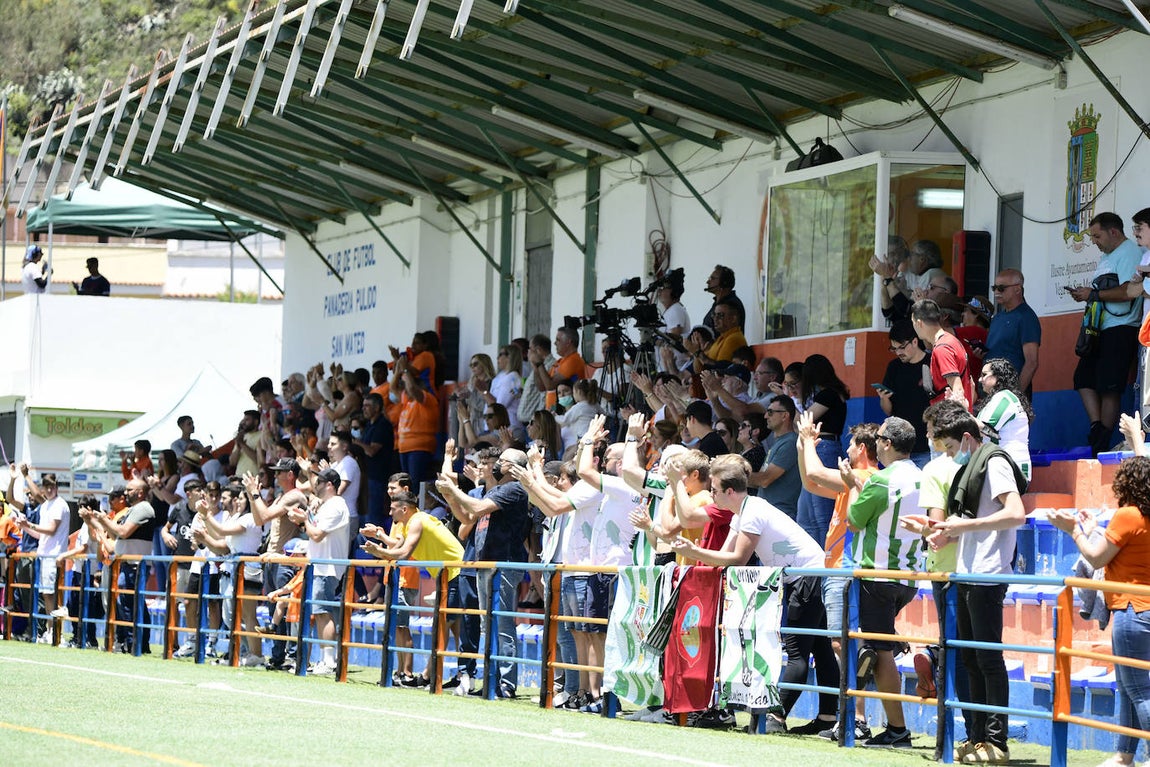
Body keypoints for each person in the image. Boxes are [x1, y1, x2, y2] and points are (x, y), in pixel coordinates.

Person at [671, 454, 837, 735]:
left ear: (730, 491)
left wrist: (694, 552)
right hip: (809, 575)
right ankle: (827, 716)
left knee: (798, 650)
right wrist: (695, 551)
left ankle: (776, 717)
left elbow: (735, 559)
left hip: (808, 576)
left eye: (714, 490)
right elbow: (725, 556)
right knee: (819, 649)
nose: (711, 495)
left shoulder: (752, 512)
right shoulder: (744, 511)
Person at [919, 408, 1026, 765]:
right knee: (970, 659)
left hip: (988, 573)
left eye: (950, 447)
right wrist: (933, 530)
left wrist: (960, 528)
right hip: (967, 572)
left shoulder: (993, 462)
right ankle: (978, 738)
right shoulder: (970, 468)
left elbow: (1016, 513)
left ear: (966, 438)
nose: (949, 456)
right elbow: (966, 526)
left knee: (987, 658)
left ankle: (997, 741)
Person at [1049, 457, 1150, 767]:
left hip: (1131, 611)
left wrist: (1074, 531)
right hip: (1141, 609)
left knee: (1138, 690)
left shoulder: (1128, 515)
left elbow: (1095, 558)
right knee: (1130, 687)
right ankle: (1124, 755)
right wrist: (1093, 530)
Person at [795, 413, 879, 741]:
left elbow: (815, 472)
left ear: (860, 449)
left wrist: (805, 440)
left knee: (844, 642)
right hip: (836, 568)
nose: (845, 450)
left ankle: (855, 719)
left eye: (849, 445)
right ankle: (851, 717)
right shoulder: (851, 479)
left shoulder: (863, 476)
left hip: (845, 569)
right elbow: (810, 483)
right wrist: (805, 446)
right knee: (840, 643)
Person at [845, 416, 924, 749]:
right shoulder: (923, 477)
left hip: (875, 574)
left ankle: (897, 730)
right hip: (909, 576)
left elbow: (853, 520)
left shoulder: (880, 480)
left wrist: (851, 486)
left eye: (878, 437)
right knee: (877, 645)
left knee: (879, 652)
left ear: (888, 443)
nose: (875, 442)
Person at [436, 449, 531, 698]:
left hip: (504, 565)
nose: (497, 465)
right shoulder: (495, 491)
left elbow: (476, 508)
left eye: (503, 462)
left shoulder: (515, 489)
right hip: (485, 564)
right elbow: (467, 517)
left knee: (502, 624)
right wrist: (450, 495)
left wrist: (454, 490)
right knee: (488, 626)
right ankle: (492, 680)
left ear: (515, 467)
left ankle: (506, 684)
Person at [1071, 212, 1144, 455]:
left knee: (1109, 387)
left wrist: (1092, 295)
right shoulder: (1106, 257)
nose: (1094, 241)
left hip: (1121, 328)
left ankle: (1102, 437)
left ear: (1113, 232)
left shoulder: (1131, 253)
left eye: (1097, 235)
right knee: (1083, 379)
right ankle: (1097, 427)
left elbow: (1126, 291)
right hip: (1097, 328)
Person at [285, 467, 350, 675]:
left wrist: (303, 521)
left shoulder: (336, 505)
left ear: (329, 484)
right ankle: (326, 659)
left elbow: (317, 535)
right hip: (321, 565)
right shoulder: (329, 506)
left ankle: (329, 661)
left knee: (323, 612)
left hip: (327, 566)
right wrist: (304, 519)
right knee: (320, 612)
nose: (315, 486)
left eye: (319, 482)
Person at [84, 478, 156, 654]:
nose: (125, 493)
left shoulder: (143, 508)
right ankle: (135, 643)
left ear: (140, 492)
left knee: (131, 605)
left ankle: (135, 644)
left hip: (135, 564)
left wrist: (101, 520)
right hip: (127, 563)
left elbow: (122, 532)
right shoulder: (134, 510)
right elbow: (111, 535)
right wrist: (93, 521)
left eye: (129, 490)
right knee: (128, 605)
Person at [795, 354, 848, 546]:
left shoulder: (829, 394)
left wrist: (790, 400)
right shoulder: (834, 393)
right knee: (806, 515)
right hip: (821, 446)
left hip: (823, 446)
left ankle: (823, 567)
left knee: (819, 515)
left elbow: (804, 421)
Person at [14, 472, 70, 643]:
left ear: (57, 487)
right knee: (46, 594)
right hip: (44, 554)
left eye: (53, 486)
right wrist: (25, 527)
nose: (50, 489)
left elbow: (51, 530)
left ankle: (55, 632)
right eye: (47, 486)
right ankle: (50, 630)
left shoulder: (59, 505)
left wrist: (29, 524)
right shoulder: (46, 506)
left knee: (51, 594)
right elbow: (42, 536)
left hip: (54, 555)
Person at [880, 321, 933, 466]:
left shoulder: (931, 363)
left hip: (926, 444)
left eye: (901, 347)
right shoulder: (894, 367)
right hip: (899, 447)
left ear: (915, 341)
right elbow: (888, 410)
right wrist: (884, 398)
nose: (898, 353)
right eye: (894, 349)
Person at [976, 358, 1034, 484]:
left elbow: (986, 430)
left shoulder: (1004, 398)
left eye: (984, 375)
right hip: (1002, 467)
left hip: (1010, 468)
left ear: (999, 377)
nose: (980, 380)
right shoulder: (997, 399)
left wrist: (960, 409)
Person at [985, 269, 1041, 396]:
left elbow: (1032, 362)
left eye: (1001, 288)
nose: (997, 292)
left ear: (1017, 289)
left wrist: (1016, 395)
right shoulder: (997, 318)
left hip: (1011, 391)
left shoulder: (1026, 317)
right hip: (990, 389)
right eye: (994, 288)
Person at [912, 298, 973, 410]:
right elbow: (971, 385)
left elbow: (957, 388)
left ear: (919, 323)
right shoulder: (952, 341)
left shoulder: (942, 348)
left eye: (913, 323)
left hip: (950, 421)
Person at [753, 395, 801, 519]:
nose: (765, 416)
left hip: (780, 515)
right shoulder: (780, 442)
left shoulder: (790, 443)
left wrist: (733, 474)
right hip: (770, 514)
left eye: (770, 412)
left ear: (785, 415)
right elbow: (760, 480)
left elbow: (765, 479)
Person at [687, 299, 747, 371]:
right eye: (714, 315)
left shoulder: (733, 339)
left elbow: (719, 370)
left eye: (720, 315)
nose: (715, 319)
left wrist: (697, 352)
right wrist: (697, 352)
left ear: (733, 319)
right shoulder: (721, 339)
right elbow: (699, 371)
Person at [702, 264, 746, 333]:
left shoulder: (731, 304)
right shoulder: (717, 302)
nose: (708, 282)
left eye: (712, 278)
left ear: (724, 282)